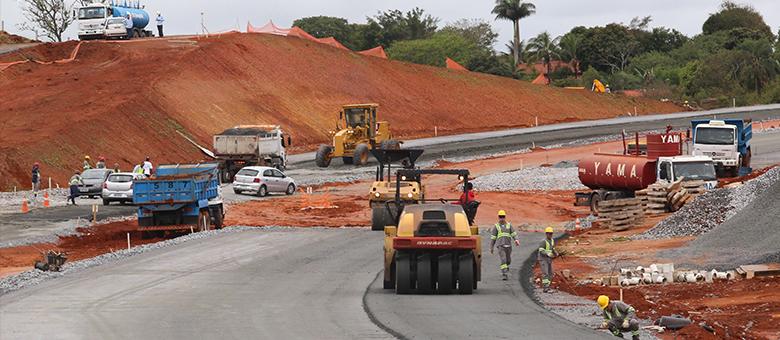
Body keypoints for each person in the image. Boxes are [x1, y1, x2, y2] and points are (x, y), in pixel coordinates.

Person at [489, 210, 520, 280]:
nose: (502, 218)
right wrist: (491, 247)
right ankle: (504, 274)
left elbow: (514, 234)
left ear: (505, 217)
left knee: (508, 261)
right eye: (500, 217)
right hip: (500, 246)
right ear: (498, 217)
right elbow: (493, 238)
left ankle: (506, 267)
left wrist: (516, 240)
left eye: (503, 217)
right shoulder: (496, 226)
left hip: (508, 246)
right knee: (503, 260)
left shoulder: (509, 225)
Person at [537, 226, 558, 292]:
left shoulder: (552, 241)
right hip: (543, 259)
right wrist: (548, 254)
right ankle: (545, 287)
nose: (550, 235)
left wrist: (556, 253)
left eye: (551, 233)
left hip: (549, 259)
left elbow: (552, 248)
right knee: (545, 273)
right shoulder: (543, 241)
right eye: (549, 233)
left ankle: (547, 286)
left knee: (550, 273)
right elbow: (541, 250)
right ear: (546, 234)